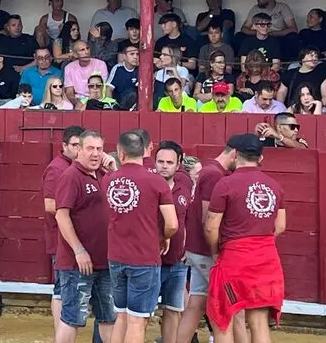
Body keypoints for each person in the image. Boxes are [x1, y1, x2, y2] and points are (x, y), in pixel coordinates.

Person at [204, 134, 286, 343]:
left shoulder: (225, 184)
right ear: (260, 158)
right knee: (258, 321)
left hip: (235, 258)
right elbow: (280, 226)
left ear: (235, 155)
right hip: (266, 257)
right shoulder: (274, 185)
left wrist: (216, 251)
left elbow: (211, 226)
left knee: (224, 317)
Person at [102, 131, 177, 343]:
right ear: (144, 152)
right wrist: (163, 237)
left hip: (116, 256)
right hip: (144, 257)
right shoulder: (157, 182)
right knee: (137, 320)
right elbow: (172, 224)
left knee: (122, 316)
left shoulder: (108, 180)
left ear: (121, 153)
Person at [53, 129, 116, 343]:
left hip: (104, 262)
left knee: (108, 317)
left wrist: (114, 170)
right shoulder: (71, 176)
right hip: (77, 264)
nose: (95, 153)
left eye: (99, 149)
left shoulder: (104, 175)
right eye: (90, 148)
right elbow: (61, 216)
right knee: (72, 318)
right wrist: (79, 250)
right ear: (79, 149)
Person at [175, 140, 239, 343]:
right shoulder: (214, 175)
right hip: (205, 251)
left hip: (196, 249)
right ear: (234, 154)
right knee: (227, 305)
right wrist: (216, 250)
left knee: (196, 303)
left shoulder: (210, 171)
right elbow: (207, 218)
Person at [42, 125, 84, 335]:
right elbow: (50, 204)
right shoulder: (57, 168)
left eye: (80, 145)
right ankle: (61, 333)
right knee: (61, 289)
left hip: (70, 238)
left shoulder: (76, 168)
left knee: (66, 289)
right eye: (74, 145)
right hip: (60, 239)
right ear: (64, 145)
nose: (78, 149)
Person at [154, 141, 191, 343]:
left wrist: (187, 249)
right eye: (160, 162)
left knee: (173, 310)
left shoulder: (184, 188)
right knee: (142, 313)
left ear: (178, 165)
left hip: (177, 261)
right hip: (150, 262)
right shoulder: (147, 186)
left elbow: (188, 221)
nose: (164, 166)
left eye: (169, 162)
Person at [63, 40, 108, 106]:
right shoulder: (69, 68)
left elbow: (102, 88)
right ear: (75, 54)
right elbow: (69, 93)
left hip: (97, 100)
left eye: (87, 48)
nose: (87, 52)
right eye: (82, 50)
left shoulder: (101, 64)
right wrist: (78, 103)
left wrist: (87, 103)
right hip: (77, 101)